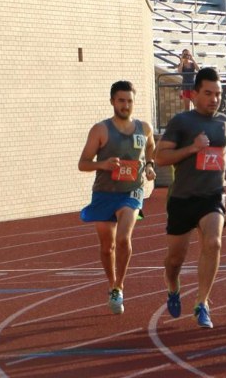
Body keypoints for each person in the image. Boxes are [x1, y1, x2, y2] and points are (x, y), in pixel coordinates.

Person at [155, 67, 226, 329]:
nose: (214, 99)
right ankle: (172, 287)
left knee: (213, 243)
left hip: (212, 196)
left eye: (218, 94)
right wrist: (192, 148)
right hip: (182, 198)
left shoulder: (224, 121)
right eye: (208, 93)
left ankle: (202, 303)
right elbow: (160, 158)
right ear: (195, 94)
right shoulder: (182, 122)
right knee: (174, 261)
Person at [77, 80, 156, 315]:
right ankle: (112, 284)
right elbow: (83, 163)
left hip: (132, 192)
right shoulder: (100, 130)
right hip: (105, 192)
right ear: (112, 101)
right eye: (121, 100)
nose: (125, 105)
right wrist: (103, 164)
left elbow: (151, 147)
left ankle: (119, 286)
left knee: (123, 239)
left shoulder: (144, 128)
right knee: (107, 247)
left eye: (129, 101)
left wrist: (149, 165)